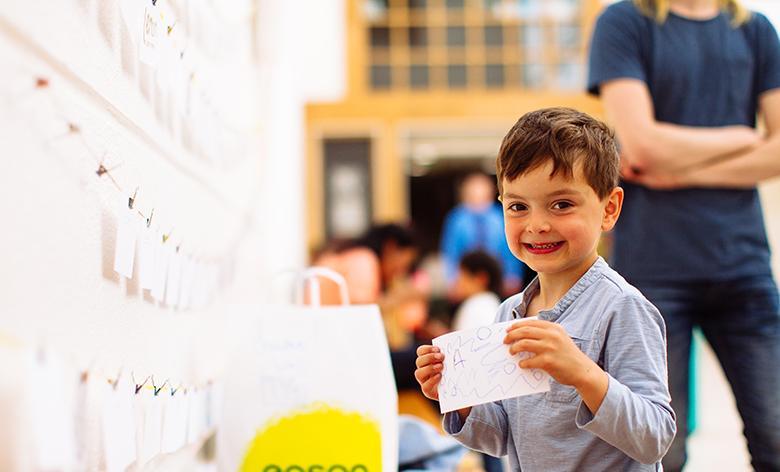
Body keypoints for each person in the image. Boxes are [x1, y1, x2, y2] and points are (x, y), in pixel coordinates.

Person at [414, 108, 676, 471]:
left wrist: (583, 374)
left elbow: (655, 436)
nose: (537, 224)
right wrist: (460, 399)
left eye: (562, 204)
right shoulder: (509, 314)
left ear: (609, 209)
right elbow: (503, 437)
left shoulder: (622, 307)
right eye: (518, 206)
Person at [587, 1, 780, 470]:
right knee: (659, 451)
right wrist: (741, 136)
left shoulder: (755, 30)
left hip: (744, 265)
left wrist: (680, 165)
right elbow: (641, 146)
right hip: (654, 274)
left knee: (776, 436)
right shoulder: (624, 22)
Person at [440, 172, 526, 296]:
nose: (478, 197)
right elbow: (450, 252)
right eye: (473, 193)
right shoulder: (456, 219)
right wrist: (452, 280)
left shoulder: (500, 216)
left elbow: (510, 249)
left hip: (498, 280)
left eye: (481, 192)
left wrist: (513, 275)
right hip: (467, 282)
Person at [451, 250, 504, 332]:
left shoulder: (477, 305)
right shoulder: (489, 303)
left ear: (481, 278)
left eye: (463, 275)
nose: (458, 281)